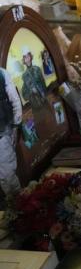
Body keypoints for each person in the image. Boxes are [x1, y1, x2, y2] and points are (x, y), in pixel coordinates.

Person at [0, 68, 22, 198]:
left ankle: (17, 208)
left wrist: (16, 125)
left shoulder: (2, 74)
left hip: (3, 134)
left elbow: (15, 100)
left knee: (7, 177)